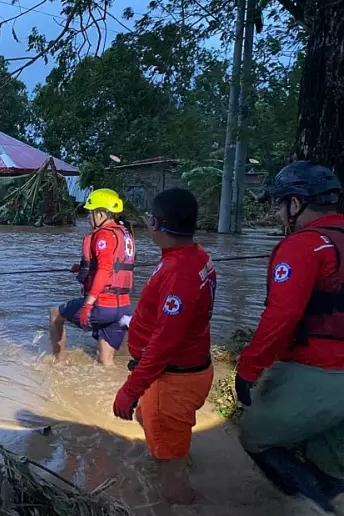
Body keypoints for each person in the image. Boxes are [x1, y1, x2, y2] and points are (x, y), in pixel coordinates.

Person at [235, 161, 344, 514]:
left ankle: (316, 508)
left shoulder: (303, 246)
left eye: (281, 204)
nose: (279, 214)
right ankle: (326, 497)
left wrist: (249, 368)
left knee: (254, 435)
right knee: (331, 462)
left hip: (322, 367)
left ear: (296, 203)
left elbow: (281, 315)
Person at [112, 188, 215, 505]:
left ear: (156, 223)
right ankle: (177, 455)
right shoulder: (195, 256)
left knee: (171, 476)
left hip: (172, 380)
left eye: (149, 219)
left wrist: (130, 389)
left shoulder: (177, 272)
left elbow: (164, 343)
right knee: (152, 425)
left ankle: (184, 500)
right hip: (186, 372)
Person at [49, 188, 136, 366]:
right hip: (123, 308)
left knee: (55, 314)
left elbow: (105, 269)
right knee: (105, 361)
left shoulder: (103, 234)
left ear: (101, 214)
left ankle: (58, 363)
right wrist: (83, 268)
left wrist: (88, 305)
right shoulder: (125, 233)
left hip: (103, 306)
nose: (88, 217)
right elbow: (115, 266)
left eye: (91, 213)